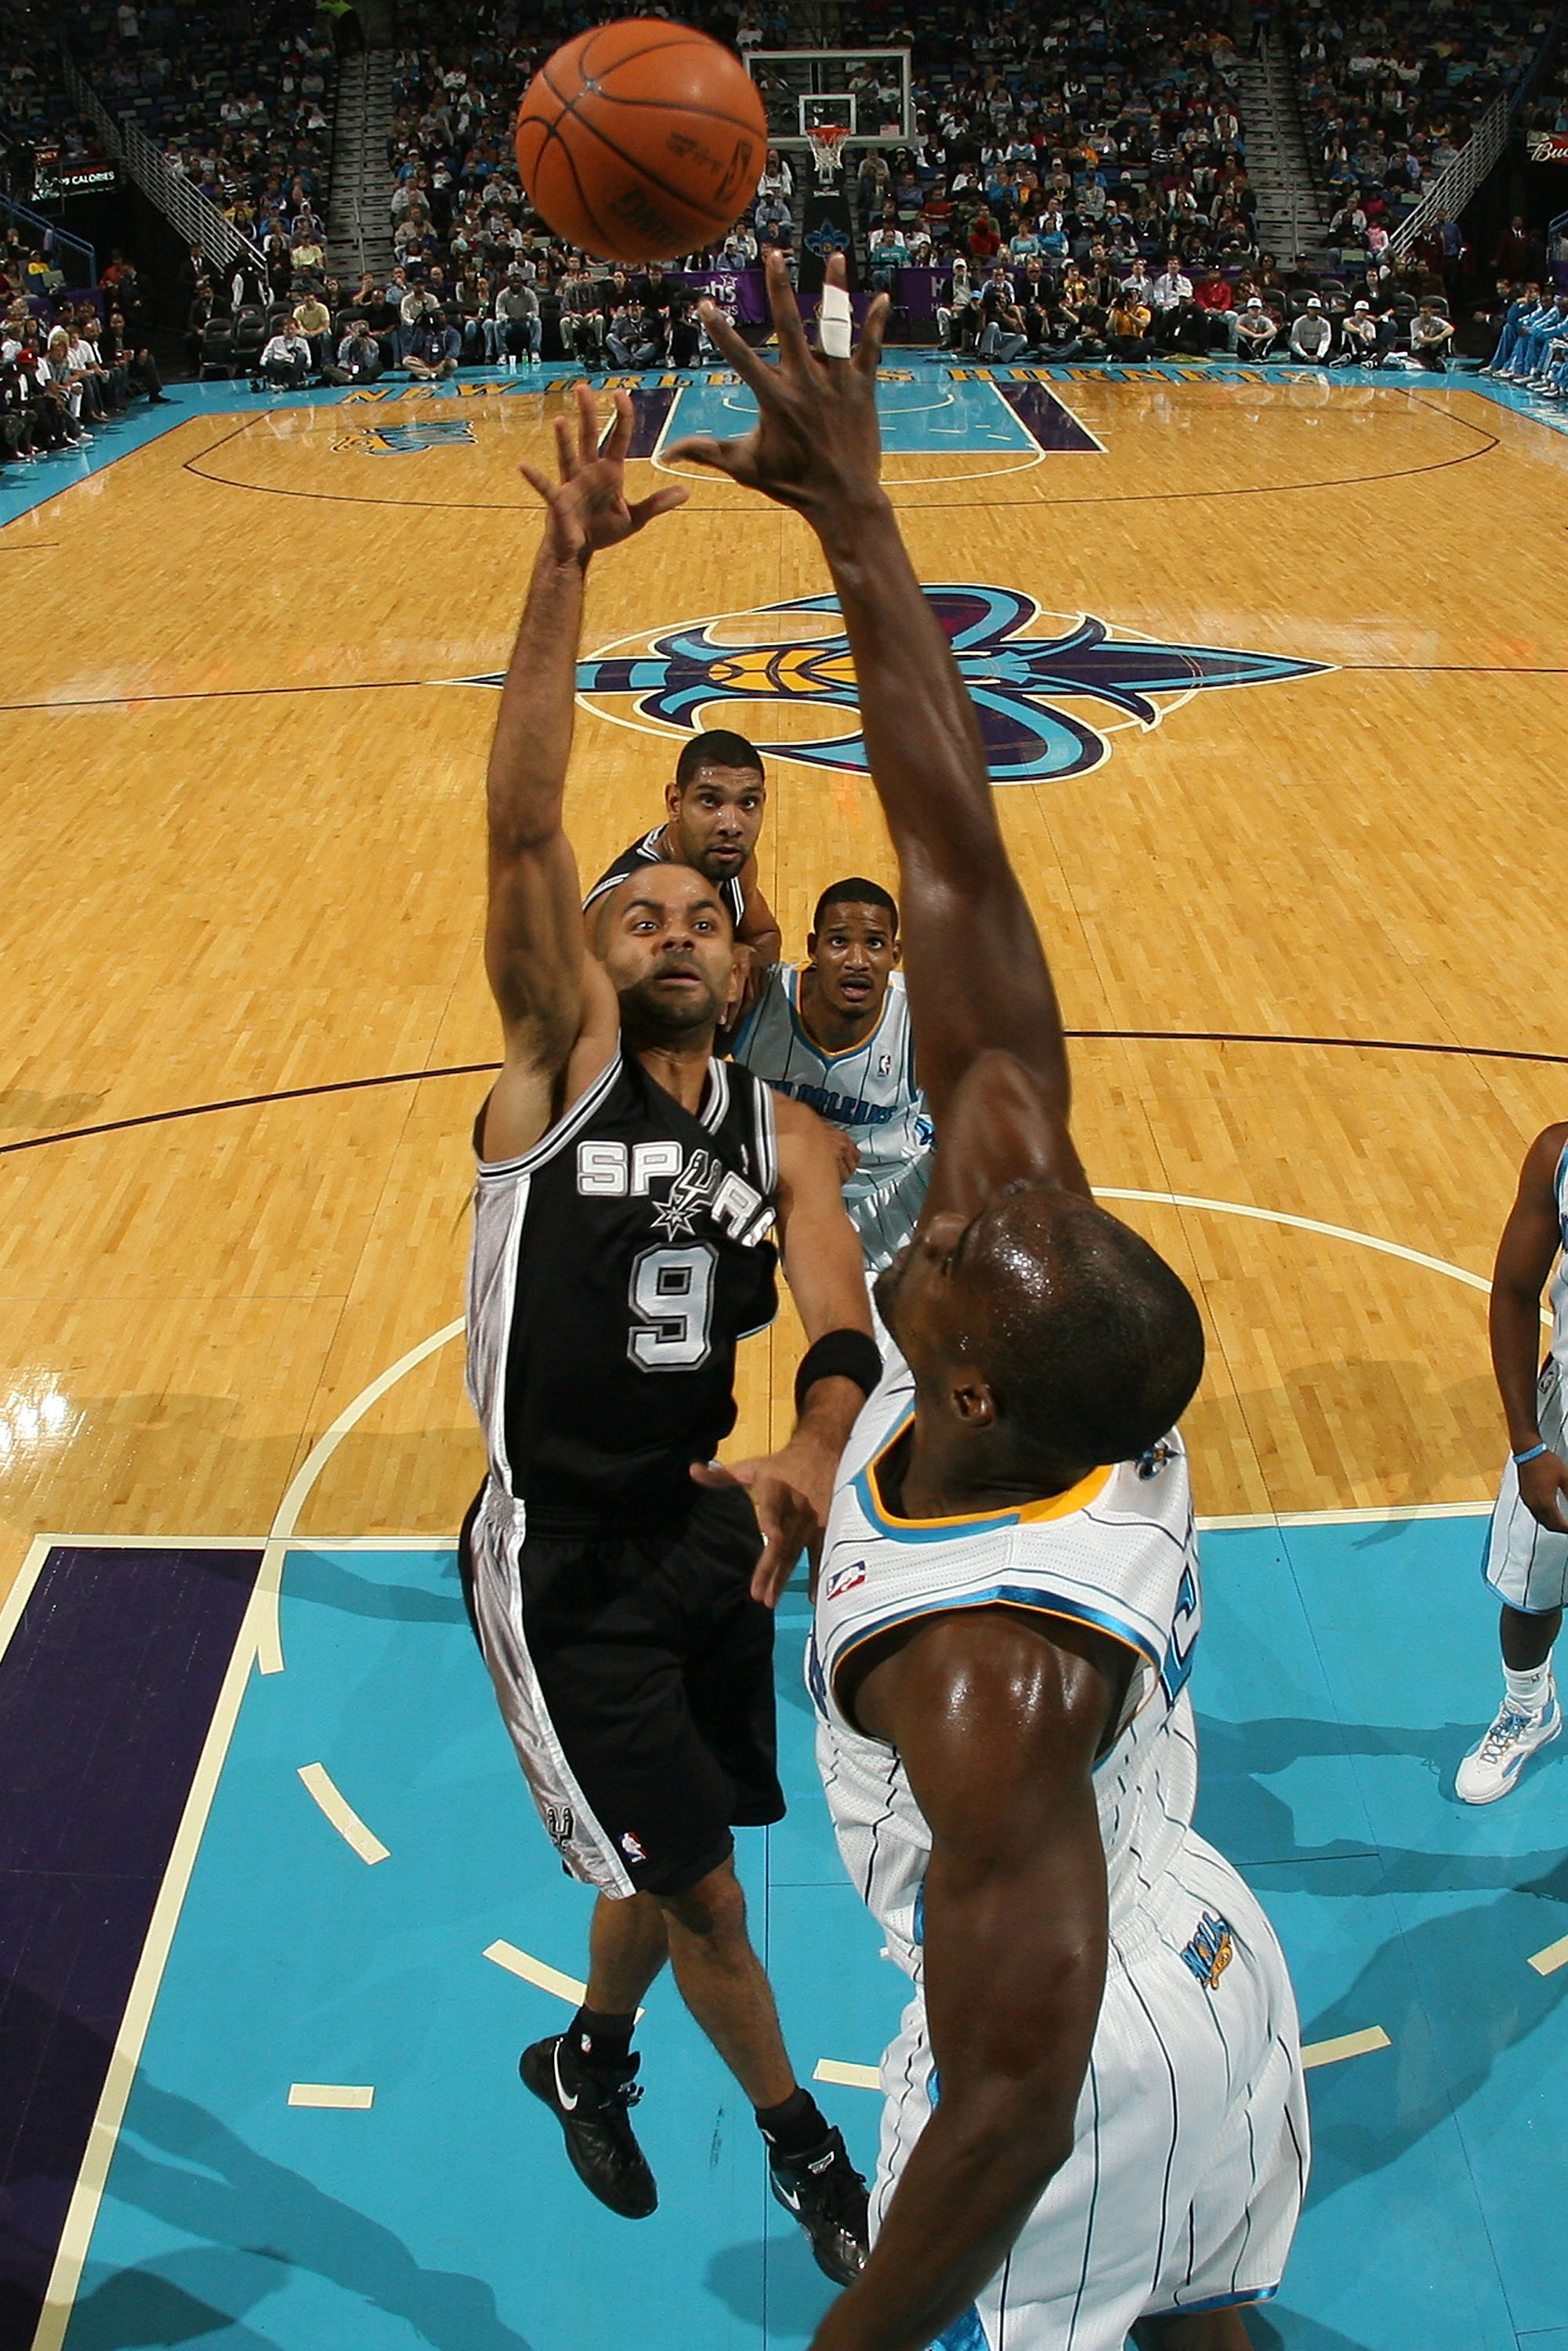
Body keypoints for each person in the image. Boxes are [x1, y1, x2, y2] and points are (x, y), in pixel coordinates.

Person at [672, 250, 1307, 2351]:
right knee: (1211, 2327)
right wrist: (861, 525)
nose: (939, 1204)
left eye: (946, 1242)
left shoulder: (986, 1678)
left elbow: (1015, 2102)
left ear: (960, 1376)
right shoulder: (1042, 1346)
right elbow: (963, 873)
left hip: (1078, 2046)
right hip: (1203, 1942)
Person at [460, 384, 876, 2284]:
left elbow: (838, 1302)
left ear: (739, 940)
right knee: (703, 1884)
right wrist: (558, 562)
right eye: (637, 908)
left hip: (706, 1521)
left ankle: (588, 2047)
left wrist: (805, 1437)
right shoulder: (552, 1070)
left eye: (698, 909)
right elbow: (525, 811)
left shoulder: (774, 1109)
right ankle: (805, 2149)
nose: (669, 923)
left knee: (673, 1835)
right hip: (557, 1558)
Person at [732, 879, 933, 1273]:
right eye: (839, 942)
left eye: (874, 944)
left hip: (892, 1185)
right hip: (779, 1178)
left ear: (895, 955)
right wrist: (792, 1130)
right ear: (812, 949)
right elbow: (677, 1082)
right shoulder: (756, 999)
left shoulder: (925, 1023)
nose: (856, 960)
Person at [1458, 1125, 1568, 1803]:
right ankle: (1528, 1709)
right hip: (1562, 1425)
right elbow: (1512, 1290)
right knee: (1530, 1591)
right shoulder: (1558, 1156)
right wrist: (1528, 1443)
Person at [584, 733, 783, 997]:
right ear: (675, 803)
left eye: (747, 803)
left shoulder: (731, 860)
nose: (731, 825)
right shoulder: (620, 904)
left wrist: (749, 958)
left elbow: (764, 935)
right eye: (710, 801)